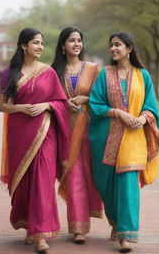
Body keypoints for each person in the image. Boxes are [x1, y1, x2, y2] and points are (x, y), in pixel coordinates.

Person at [0, 28, 70, 253]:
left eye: (41, 43)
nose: (40, 47)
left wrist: (47, 105)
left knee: (43, 181)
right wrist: (19, 108)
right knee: (26, 182)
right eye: (36, 43)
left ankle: (41, 235)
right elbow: (1, 105)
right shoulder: (9, 73)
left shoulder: (48, 72)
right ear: (23, 46)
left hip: (45, 132)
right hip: (19, 134)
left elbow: (61, 102)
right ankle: (30, 225)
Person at [89, 32, 159, 253]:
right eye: (111, 45)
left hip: (133, 137)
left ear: (129, 48)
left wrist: (141, 118)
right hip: (105, 137)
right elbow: (94, 103)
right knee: (106, 186)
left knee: (128, 186)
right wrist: (118, 113)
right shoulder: (104, 74)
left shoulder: (143, 75)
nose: (113, 48)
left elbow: (151, 106)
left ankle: (126, 236)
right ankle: (115, 222)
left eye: (117, 45)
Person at [51, 27, 103, 244]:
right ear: (63, 45)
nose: (76, 44)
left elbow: (104, 99)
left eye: (79, 40)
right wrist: (63, 103)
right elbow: (49, 99)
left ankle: (118, 224)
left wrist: (87, 99)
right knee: (74, 178)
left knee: (98, 179)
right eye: (71, 40)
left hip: (91, 133)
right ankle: (78, 228)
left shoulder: (94, 69)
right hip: (65, 133)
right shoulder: (53, 72)